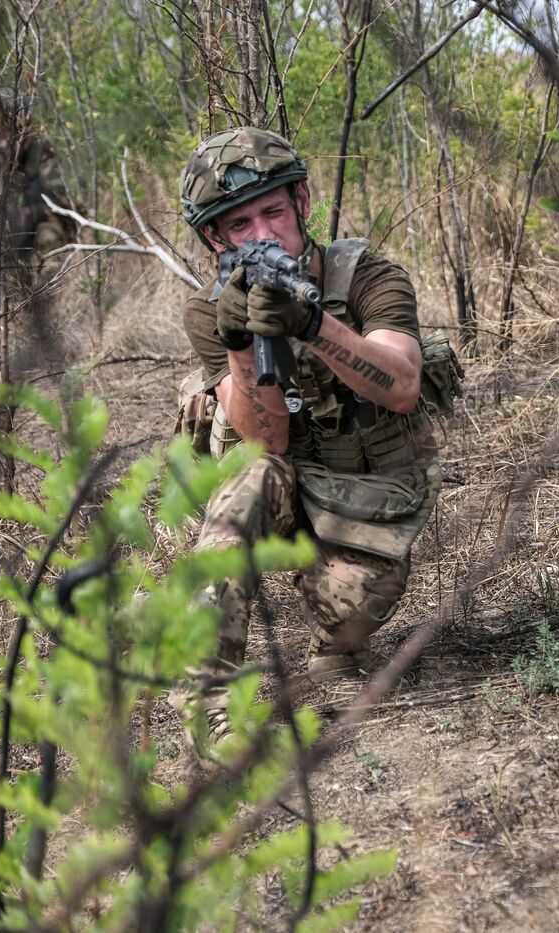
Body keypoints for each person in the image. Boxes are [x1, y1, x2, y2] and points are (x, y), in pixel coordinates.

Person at [174, 126, 441, 757]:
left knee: (347, 621)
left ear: (302, 202)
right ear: (216, 238)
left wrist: (313, 324)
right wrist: (242, 341)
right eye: (240, 226)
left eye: (273, 212)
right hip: (282, 486)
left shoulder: (371, 277)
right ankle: (208, 702)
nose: (263, 235)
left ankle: (330, 644)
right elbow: (265, 440)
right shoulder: (208, 310)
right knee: (251, 478)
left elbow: (401, 384)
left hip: (364, 494)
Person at [0, 91, 78, 286]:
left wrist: (27, 213)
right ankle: (19, 305)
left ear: (21, 122)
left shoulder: (40, 149)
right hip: (6, 239)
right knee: (10, 277)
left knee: (50, 242)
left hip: (42, 227)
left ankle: (48, 296)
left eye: (5, 120)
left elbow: (59, 200)